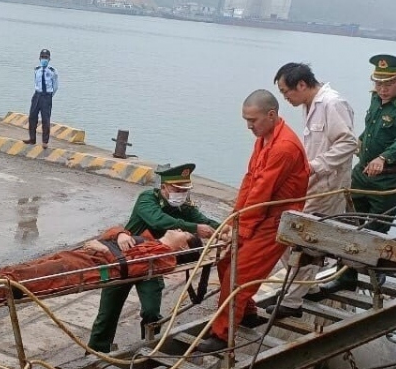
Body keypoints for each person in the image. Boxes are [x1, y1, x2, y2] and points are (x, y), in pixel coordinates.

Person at [198, 90, 310, 352]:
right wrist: (232, 222)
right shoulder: (264, 138)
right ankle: (247, 312)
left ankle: (222, 335)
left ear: (271, 115)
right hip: (260, 213)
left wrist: (242, 231)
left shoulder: (284, 147)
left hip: (276, 221)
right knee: (225, 260)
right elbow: (251, 181)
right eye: (246, 120)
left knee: (239, 275)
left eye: (253, 120)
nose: (249, 126)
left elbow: (262, 192)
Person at [313, 55, 396, 296]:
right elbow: (372, 128)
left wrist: (383, 158)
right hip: (362, 173)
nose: (382, 90)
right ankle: (346, 275)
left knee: (376, 227)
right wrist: (359, 142)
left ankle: (376, 270)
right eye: (378, 84)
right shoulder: (376, 99)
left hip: (388, 178)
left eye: (388, 84)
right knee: (349, 222)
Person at [87, 163, 218, 352]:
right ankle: (96, 351)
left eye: (185, 190)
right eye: (177, 189)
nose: (181, 193)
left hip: (152, 263)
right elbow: (157, 219)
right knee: (107, 313)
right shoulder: (147, 199)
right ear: (163, 186)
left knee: (151, 311)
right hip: (125, 260)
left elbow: (205, 221)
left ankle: (150, 348)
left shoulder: (184, 207)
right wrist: (193, 228)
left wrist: (226, 228)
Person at [272, 62, 357, 318]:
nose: (285, 98)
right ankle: (307, 287)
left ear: (301, 84)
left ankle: (293, 300)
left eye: (287, 92)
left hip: (327, 186)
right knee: (303, 235)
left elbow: (349, 142)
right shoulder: (311, 104)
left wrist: (316, 166)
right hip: (311, 183)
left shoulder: (332, 104)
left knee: (301, 236)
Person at [0, 227, 201, 306]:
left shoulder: (165, 258)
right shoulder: (149, 239)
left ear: (182, 249)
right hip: (85, 256)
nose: (178, 230)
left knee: (27, 277)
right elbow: (113, 231)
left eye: (184, 233)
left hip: (91, 266)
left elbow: (131, 267)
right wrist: (119, 234)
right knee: (28, 268)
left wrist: (105, 250)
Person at [25, 48, 58, 147]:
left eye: (46, 58)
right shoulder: (37, 69)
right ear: (39, 58)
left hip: (46, 96)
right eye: (43, 57)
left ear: (49, 59)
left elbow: (55, 86)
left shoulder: (53, 71)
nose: (44, 59)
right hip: (37, 95)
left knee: (45, 119)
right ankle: (32, 139)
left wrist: (49, 96)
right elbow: (36, 82)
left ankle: (45, 142)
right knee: (32, 117)